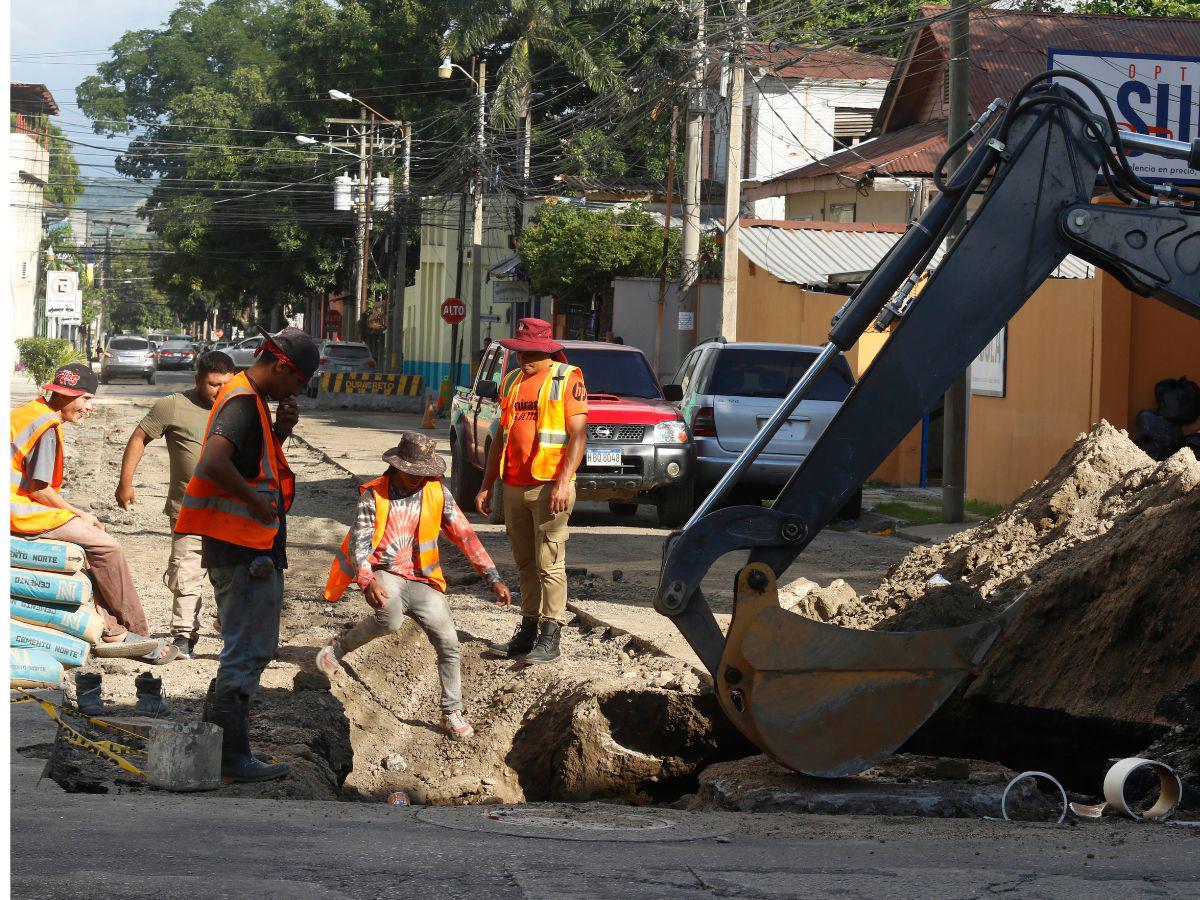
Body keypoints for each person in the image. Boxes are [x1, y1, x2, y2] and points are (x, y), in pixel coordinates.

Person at [175, 326, 317, 782]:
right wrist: (257, 504)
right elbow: (214, 463)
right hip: (243, 547)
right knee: (247, 650)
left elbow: (250, 464)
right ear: (281, 365)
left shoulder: (252, 402)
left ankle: (218, 744)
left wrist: (281, 432)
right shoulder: (240, 402)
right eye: (298, 381)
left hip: (246, 546)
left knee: (249, 647)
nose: (297, 391)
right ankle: (231, 757)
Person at [316, 432, 512, 739]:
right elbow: (360, 543)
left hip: (423, 578)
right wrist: (366, 580)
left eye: (424, 474)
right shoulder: (374, 495)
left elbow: (465, 535)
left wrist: (493, 577)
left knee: (448, 641)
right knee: (390, 619)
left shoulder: (437, 493)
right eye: (413, 473)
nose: (418, 479)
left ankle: (452, 711)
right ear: (397, 467)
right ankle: (338, 646)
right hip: (386, 572)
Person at [10, 363, 176, 664]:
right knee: (107, 546)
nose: (90, 406)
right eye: (86, 399)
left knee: (86, 553)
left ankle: (113, 633)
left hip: (16, 505)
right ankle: (137, 631)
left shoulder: (29, 412)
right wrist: (79, 513)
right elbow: (38, 489)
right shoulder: (46, 426)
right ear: (64, 396)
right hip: (19, 511)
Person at [476, 318, 588, 664]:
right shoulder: (511, 380)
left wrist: (564, 481)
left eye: (532, 354)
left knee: (549, 563)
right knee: (525, 563)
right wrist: (486, 484)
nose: (524, 359)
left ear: (549, 350)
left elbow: (578, 436)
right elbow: (501, 438)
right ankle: (527, 631)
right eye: (520, 352)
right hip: (513, 485)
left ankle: (550, 636)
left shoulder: (567, 378)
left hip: (548, 487)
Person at [115, 350, 236, 659]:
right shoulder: (173, 406)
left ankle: (231, 630)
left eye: (225, 384)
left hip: (234, 513)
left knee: (232, 576)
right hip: (188, 510)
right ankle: (184, 636)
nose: (218, 391)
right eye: (212, 384)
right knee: (186, 574)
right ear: (197, 379)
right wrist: (125, 482)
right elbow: (139, 436)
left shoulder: (241, 408)